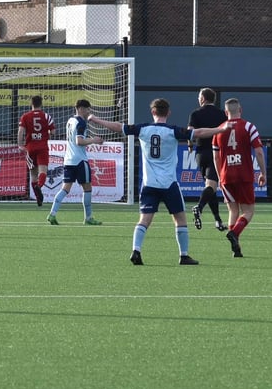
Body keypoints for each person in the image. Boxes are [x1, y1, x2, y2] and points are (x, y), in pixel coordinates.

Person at [89, 98, 231, 265]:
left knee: (144, 219)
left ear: (153, 112)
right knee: (180, 219)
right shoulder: (173, 131)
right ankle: (184, 255)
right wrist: (220, 129)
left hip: (149, 184)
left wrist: (95, 119)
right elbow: (198, 133)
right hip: (169, 184)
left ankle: (136, 250)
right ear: (168, 113)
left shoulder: (143, 129)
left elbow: (118, 127)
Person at [213, 98, 266, 258]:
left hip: (226, 175)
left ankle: (236, 248)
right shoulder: (249, 127)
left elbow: (216, 157)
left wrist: (219, 177)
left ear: (225, 112)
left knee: (233, 210)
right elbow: (258, 151)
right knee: (248, 211)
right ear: (240, 110)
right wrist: (263, 172)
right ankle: (234, 233)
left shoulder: (219, 130)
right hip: (244, 174)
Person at [47, 99, 104, 225]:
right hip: (79, 160)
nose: (88, 112)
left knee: (65, 189)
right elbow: (79, 141)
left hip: (68, 160)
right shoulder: (81, 123)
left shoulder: (70, 120)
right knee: (87, 188)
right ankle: (88, 218)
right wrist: (94, 140)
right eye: (87, 109)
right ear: (80, 108)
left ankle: (52, 214)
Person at [187, 87, 228, 231]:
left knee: (210, 187)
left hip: (200, 153)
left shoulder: (195, 113)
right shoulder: (222, 114)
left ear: (203, 98)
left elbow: (190, 133)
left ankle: (218, 220)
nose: (198, 99)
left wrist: (190, 145)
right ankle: (199, 207)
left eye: (199, 96)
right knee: (211, 186)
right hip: (216, 153)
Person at [18, 95, 55, 206]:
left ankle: (38, 197)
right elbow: (53, 132)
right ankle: (40, 185)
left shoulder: (25, 116)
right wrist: (46, 135)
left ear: (31, 104)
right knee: (43, 171)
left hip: (30, 148)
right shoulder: (47, 116)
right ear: (41, 104)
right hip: (42, 147)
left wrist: (20, 145)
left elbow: (20, 131)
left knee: (33, 174)